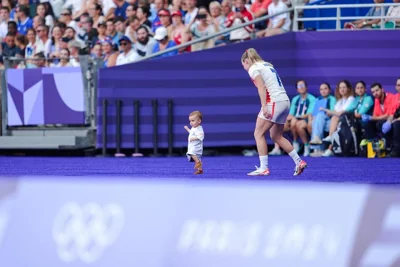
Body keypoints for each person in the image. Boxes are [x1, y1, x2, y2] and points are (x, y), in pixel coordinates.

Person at [241, 48, 307, 176]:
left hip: (274, 102)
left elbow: (262, 87)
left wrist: (264, 106)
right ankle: (299, 161)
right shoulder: (267, 65)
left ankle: (263, 167)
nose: (244, 67)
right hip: (285, 101)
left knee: (258, 133)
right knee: (276, 136)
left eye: (243, 64)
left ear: (246, 61)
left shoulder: (253, 68)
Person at [184, 110, 204, 175]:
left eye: (193, 121)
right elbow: (192, 133)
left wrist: (194, 138)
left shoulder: (199, 129)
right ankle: (200, 170)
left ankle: (197, 162)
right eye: (190, 121)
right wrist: (187, 129)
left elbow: (201, 136)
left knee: (190, 153)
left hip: (196, 146)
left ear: (199, 121)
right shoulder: (193, 128)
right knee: (197, 157)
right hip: (193, 145)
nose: (191, 123)